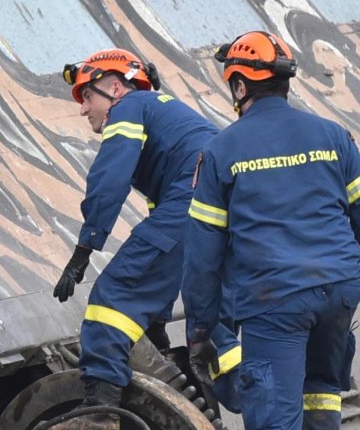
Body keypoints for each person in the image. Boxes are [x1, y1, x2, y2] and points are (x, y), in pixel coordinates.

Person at [182, 31, 360, 430]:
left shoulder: (222, 151)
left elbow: (202, 256)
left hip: (275, 302)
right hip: (338, 293)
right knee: (321, 398)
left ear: (239, 85)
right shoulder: (334, 137)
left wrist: (201, 328)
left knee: (274, 419)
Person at [51, 49, 235, 429]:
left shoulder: (130, 106)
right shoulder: (172, 123)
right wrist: (154, 321)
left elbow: (109, 178)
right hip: (225, 214)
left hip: (194, 204)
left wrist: (84, 249)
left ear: (116, 88)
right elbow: (168, 249)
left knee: (111, 300)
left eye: (87, 96)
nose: (84, 110)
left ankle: (98, 416)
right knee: (213, 330)